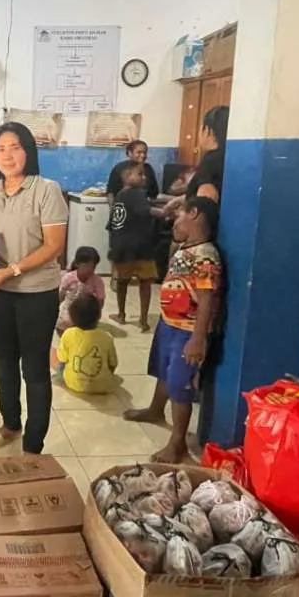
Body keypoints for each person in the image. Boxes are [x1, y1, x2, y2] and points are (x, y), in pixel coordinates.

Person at [0, 122, 69, 454]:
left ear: (28, 151)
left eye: (14, 147)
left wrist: (11, 270)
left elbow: (54, 245)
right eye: (0, 148)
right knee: (3, 362)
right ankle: (11, 424)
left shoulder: (46, 190)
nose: (7, 155)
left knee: (34, 369)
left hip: (36, 294)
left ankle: (33, 444)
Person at [124, 197, 222, 462]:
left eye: (179, 214)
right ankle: (156, 409)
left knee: (180, 384)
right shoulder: (185, 247)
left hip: (187, 331)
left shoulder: (205, 256)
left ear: (195, 213)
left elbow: (206, 300)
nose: (173, 220)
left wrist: (197, 339)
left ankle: (177, 441)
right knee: (163, 371)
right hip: (169, 324)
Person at [108, 163, 158, 331]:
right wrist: (166, 212)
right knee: (145, 282)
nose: (144, 177)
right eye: (140, 174)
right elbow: (148, 211)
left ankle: (121, 315)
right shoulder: (137, 194)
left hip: (122, 247)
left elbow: (113, 225)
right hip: (142, 247)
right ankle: (143, 320)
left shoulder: (120, 195)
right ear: (128, 177)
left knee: (122, 282)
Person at [53, 247, 105, 369]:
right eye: (87, 266)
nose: (90, 270)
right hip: (67, 314)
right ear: (77, 264)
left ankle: (78, 362)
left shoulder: (97, 281)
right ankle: (67, 360)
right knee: (67, 339)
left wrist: (94, 314)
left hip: (85, 315)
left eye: (93, 267)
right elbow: (60, 296)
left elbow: (100, 301)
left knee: (83, 343)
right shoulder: (68, 278)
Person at [56, 294, 118, 394]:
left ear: (72, 317)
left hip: (73, 384)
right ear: (99, 316)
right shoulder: (107, 337)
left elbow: (62, 359)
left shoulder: (68, 334)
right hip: (103, 385)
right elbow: (113, 364)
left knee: (56, 356)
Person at [106, 139, 159, 203]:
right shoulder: (119, 168)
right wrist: (113, 210)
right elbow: (110, 192)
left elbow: (154, 193)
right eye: (139, 152)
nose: (143, 155)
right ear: (130, 153)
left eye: (145, 152)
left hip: (143, 208)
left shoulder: (148, 168)